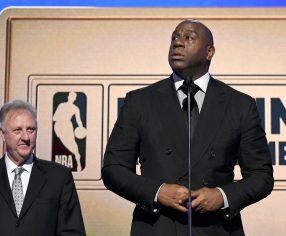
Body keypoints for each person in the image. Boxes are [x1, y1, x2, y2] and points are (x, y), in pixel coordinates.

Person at [102, 19, 274, 235]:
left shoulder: (240, 105)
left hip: (217, 228)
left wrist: (223, 196)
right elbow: (113, 169)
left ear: (209, 52)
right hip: (157, 227)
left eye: (188, 37)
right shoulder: (140, 101)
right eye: (174, 38)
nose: (178, 43)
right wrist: (157, 192)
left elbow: (261, 175)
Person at [0, 100, 86, 236]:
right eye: (17, 130)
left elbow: (72, 232)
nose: (25, 137)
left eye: (31, 130)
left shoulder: (59, 177)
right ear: (3, 134)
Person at [53, 92, 85, 171]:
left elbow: (78, 120)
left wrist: (81, 128)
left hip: (67, 126)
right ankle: (76, 157)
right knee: (62, 144)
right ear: (68, 97)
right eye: (71, 96)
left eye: (73, 97)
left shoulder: (75, 108)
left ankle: (78, 160)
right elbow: (54, 118)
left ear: (75, 99)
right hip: (59, 126)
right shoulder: (61, 105)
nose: (72, 98)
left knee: (72, 144)